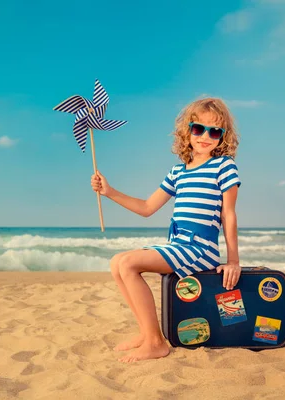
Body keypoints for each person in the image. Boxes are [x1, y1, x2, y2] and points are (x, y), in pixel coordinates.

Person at [91, 97, 242, 363]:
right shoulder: (178, 171)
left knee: (128, 264)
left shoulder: (224, 166)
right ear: (188, 131)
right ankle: (146, 332)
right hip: (179, 246)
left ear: (223, 136)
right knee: (117, 263)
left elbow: (228, 214)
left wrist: (233, 261)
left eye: (215, 131)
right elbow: (148, 207)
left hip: (199, 249)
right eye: (199, 129)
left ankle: (156, 342)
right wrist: (109, 192)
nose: (206, 136)